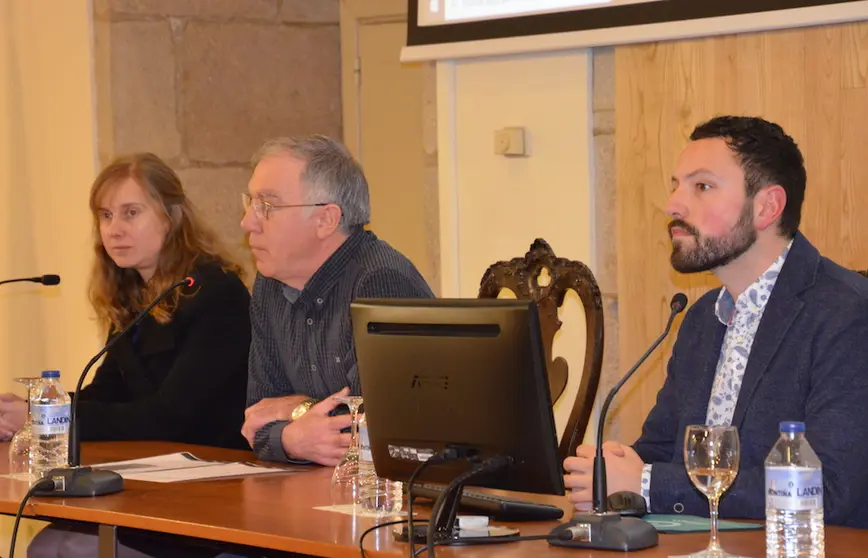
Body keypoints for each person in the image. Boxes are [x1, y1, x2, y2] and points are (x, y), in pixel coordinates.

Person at [564, 116, 868, 528]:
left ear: (766, 207)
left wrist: (647, 483)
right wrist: (612, 473)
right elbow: (659, 451)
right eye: (675, 185)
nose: (673, 205)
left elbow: (829, 491)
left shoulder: (847, 314)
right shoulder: (702, 319)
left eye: (701, 187)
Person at [15, 152, 251, 558]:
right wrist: (36, 412)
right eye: (106, 216)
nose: (115, 230)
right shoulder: (133, 296)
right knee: (48, 544)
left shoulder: (216, 291)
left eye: (131, 213)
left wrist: (56, 416)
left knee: (68, 548)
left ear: (171, 216)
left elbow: (169, 415)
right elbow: (106, 392)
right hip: (152, 482)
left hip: (211, 495)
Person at [240, 135, 434, 466]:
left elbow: (380, 432)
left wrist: (294, 410)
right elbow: (257, 420)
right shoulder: (270, 283)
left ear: (326, 220)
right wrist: (290, 439)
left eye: (267, 207)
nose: (247, 223)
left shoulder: (380, 283)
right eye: (250, 204)